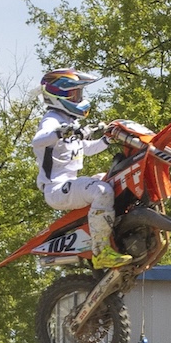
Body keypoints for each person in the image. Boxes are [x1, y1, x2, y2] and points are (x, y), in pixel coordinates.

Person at [32, 68, 132, 269]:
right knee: (102, 190)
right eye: (74, 94)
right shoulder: (52, 119)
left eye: (79, 93)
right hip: (56, 189)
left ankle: (119, 232)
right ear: (58, 95)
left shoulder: (70, 122)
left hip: (69, 185)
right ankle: (101, 252)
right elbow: (38, 140)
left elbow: (86, 148)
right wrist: (61, 132)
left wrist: (106, 139)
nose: (79, 98)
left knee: (113, 179)